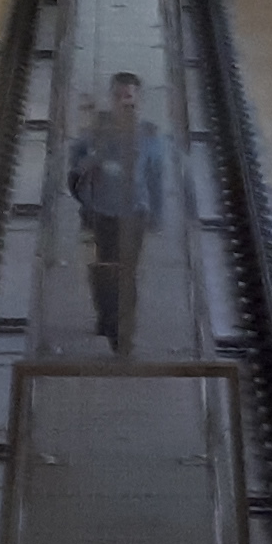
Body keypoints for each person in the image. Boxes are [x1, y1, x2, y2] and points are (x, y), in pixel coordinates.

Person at [65, 72, 173, 355]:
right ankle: (106, 316)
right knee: (103, 271)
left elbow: (155, 178)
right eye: (118, 97)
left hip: (133, 216)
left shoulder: (149, 137)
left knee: (126, 275)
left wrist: (157, 215)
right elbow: (75, 165)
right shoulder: (96, 133)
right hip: (99, 214)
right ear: (111, 99)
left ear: (138, 100)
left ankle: (122, 334)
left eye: (129, 98)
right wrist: (93, 163)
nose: (124, 103)